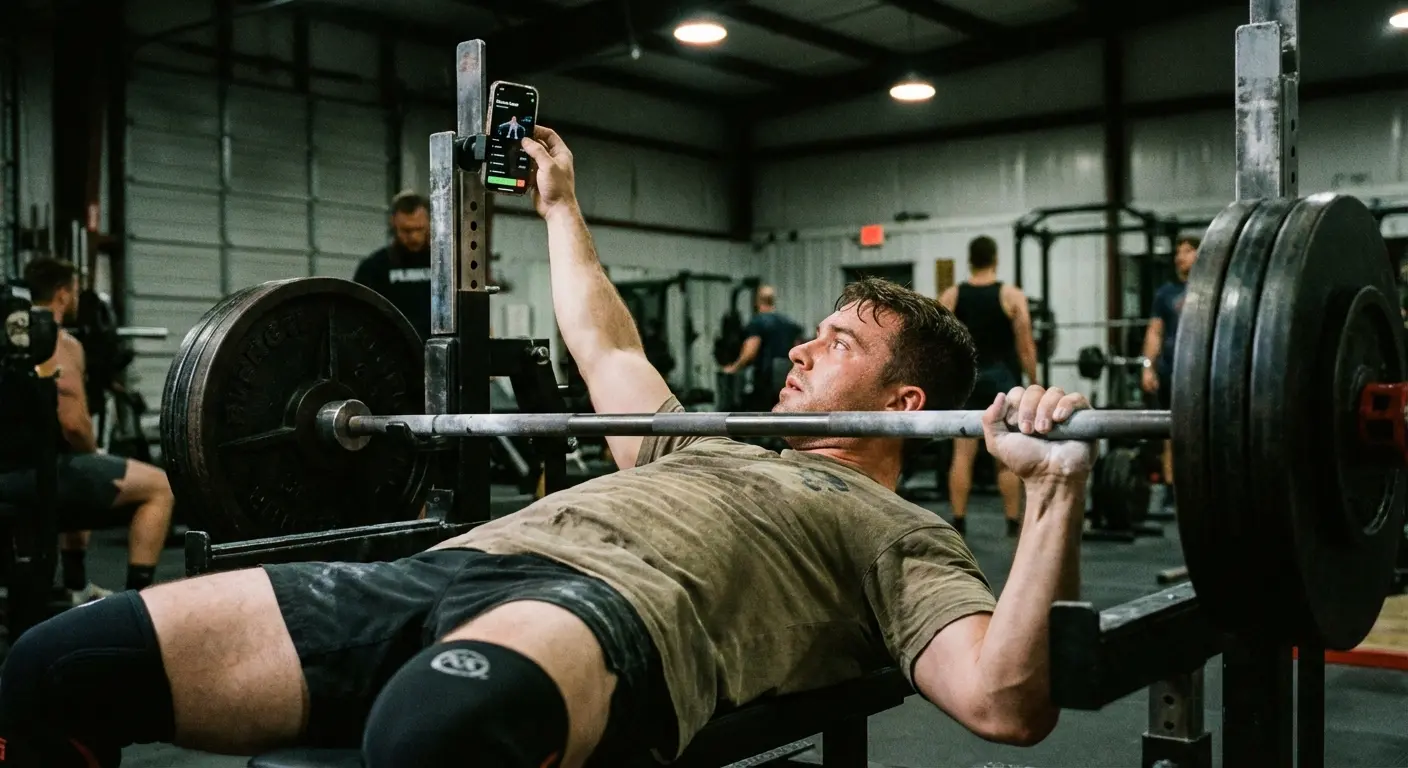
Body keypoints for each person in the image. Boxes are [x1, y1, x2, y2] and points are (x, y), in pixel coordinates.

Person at [0, 127, 1095, 768]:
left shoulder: (896, 533)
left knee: (434, 733)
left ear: (903, 402)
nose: (803, 348)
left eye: (838, 342)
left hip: (614, 619)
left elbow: (1004, 702)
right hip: (435, 577)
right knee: (55, 669)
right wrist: (558, 206)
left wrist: (1050, 499)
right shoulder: (701, 444)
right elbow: (603, 339)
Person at [0, 257, 175, 601]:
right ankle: (138, 602)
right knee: (160, 487)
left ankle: (75, 585)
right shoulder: (60, 342)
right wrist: (92, 451)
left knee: (83, 469)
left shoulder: (8, 335)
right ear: (63, 294)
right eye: (76, 291)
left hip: (10, 471)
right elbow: (74, 424)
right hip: (35, 476)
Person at [939, 236, 1039, 538]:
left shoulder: (952, 296)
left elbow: (939, 345)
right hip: (1002, 382)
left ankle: (958, 520)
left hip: (968, 381)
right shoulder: (1011, 296)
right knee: (1005, 457)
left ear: (970, 259)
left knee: (962, 454)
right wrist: (1034, 381)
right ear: (995, 258)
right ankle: (1011, 521)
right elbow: (1026, 347)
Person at [1141, 235, 1200, 511]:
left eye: (1188, 251)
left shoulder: (1212, 288)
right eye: (1178, 252)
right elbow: (1155, 331)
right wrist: (1147, 367)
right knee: (1170, 431)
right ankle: (1169, 490)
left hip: (1201, 373)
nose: (1181, 256)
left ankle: (1201, 488)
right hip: (1170, 371)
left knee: (1202, 431)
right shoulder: (1165, 293)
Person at [353, 191, 433, 341]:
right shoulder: (374, 268)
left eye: (419, 229)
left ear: (429, 224)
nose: (414, 237)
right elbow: (358, 318)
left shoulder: (446, 266)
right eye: (407, 230)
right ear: (393, 223)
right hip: (393, 352)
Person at [720, 285, 803, 411]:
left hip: (765, 380)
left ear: (757, 301)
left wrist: (734, 368)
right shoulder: (789, 323)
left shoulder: (757, 322)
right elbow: (798, 349)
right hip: (785, 380)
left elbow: (750, 352)